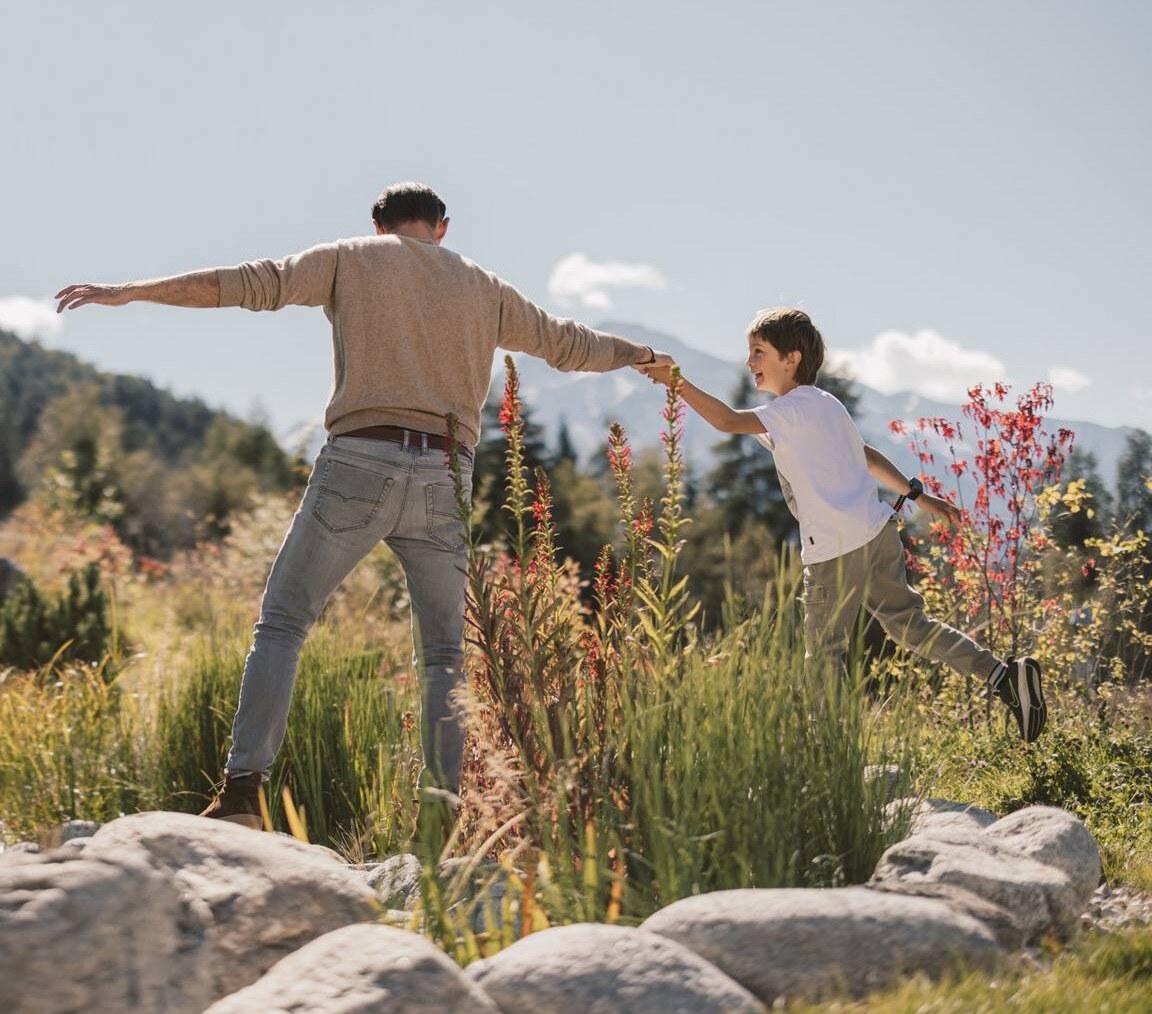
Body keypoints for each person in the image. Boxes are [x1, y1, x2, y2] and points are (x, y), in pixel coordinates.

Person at [54, 182, 669, 829]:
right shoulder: (484, 287)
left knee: (284, 624)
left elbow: (244, 283)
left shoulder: (351, 257)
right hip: (445, 479)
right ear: (442, 227)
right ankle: (446, 818)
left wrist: (129, 291)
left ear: (379, 228)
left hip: (358, 463)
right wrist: (641, 356)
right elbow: (568, 343)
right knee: (443, 659)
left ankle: (242, 795)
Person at [638, 307, 1046, 741]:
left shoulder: (793, 409)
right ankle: (1004, 677)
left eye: (758, 352)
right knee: (911, 626)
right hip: (876, 531)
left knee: (825, 654)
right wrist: (916, 494)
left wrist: (676, 383)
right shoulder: (822, 406)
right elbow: (864, 454)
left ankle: (828, 750)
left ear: (790, 359)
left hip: (834, 548)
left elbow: (727, 421)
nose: (750, 362)